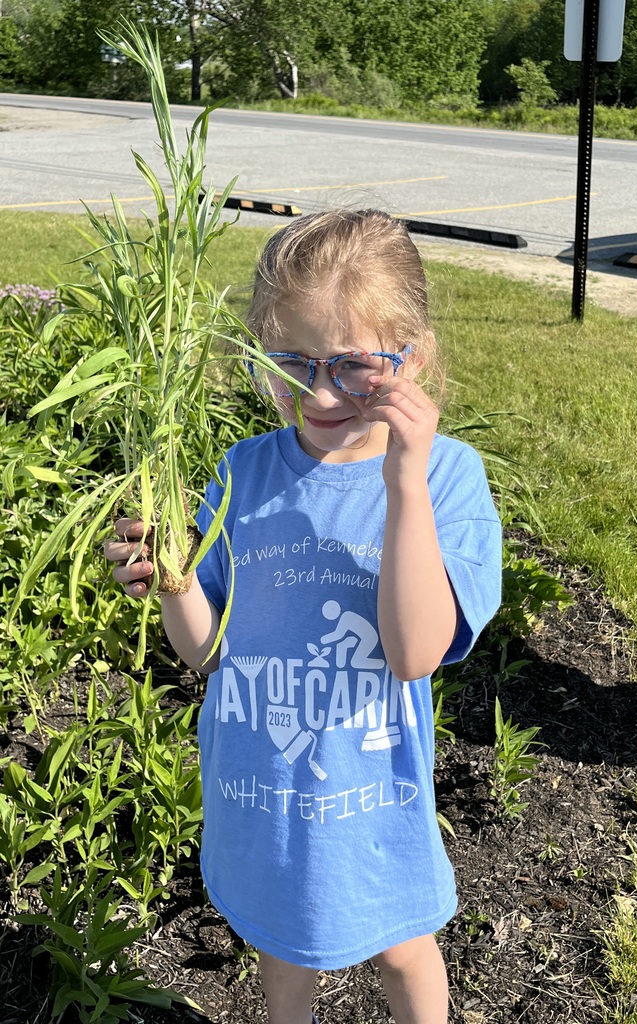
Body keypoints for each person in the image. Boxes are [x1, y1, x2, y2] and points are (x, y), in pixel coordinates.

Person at [105, 209, 502, 1024]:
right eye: (287, 362)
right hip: (259, 792)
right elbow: (212, 656)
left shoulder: (449, 482)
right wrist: (174, 580)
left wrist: (404, 482)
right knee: (281, 953)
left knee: (402, 950)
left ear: (410, 357)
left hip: (372, 800)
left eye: (353, 367)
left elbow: (415, 652)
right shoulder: (243, 472)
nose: (318, 394)